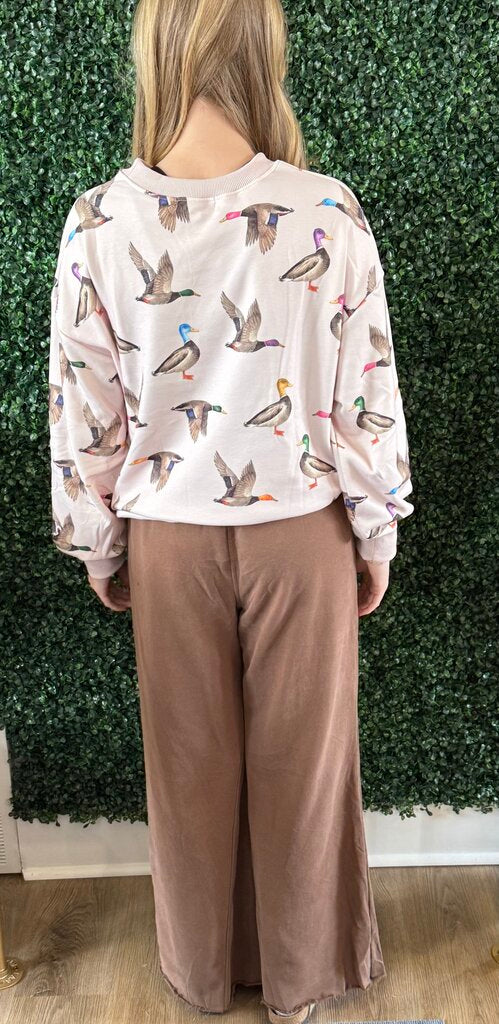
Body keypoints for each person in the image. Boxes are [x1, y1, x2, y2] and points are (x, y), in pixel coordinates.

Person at [48, 1, 414, 1021]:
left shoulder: (99, 222)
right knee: (304, 769)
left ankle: (203, 976)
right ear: (263, 51)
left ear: (156, 51)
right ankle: (298, 981)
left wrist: (99, 543)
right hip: (303, 532)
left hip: (168, 537)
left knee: (188, 767)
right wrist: (375, 531)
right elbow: (364, 393)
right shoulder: (323, 210)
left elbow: (86, 408)